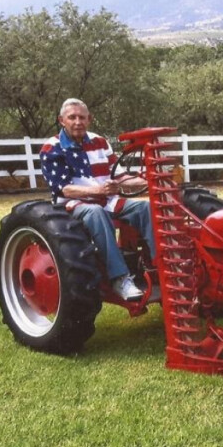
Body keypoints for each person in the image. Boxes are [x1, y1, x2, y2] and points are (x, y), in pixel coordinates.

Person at [39, 98, 155, 301]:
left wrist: (151, 181)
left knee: (145, 208)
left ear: (89, 119)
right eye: (72, 117)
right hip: (73, 204)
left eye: (82, 117)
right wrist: (99, 190)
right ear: (61, 120)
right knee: (96, 213)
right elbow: (63, 189)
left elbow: (119, 176)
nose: (78, 122)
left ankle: (160, 266)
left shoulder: (100, 142)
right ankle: (120, 278)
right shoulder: (52, 148)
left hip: (108, 199)